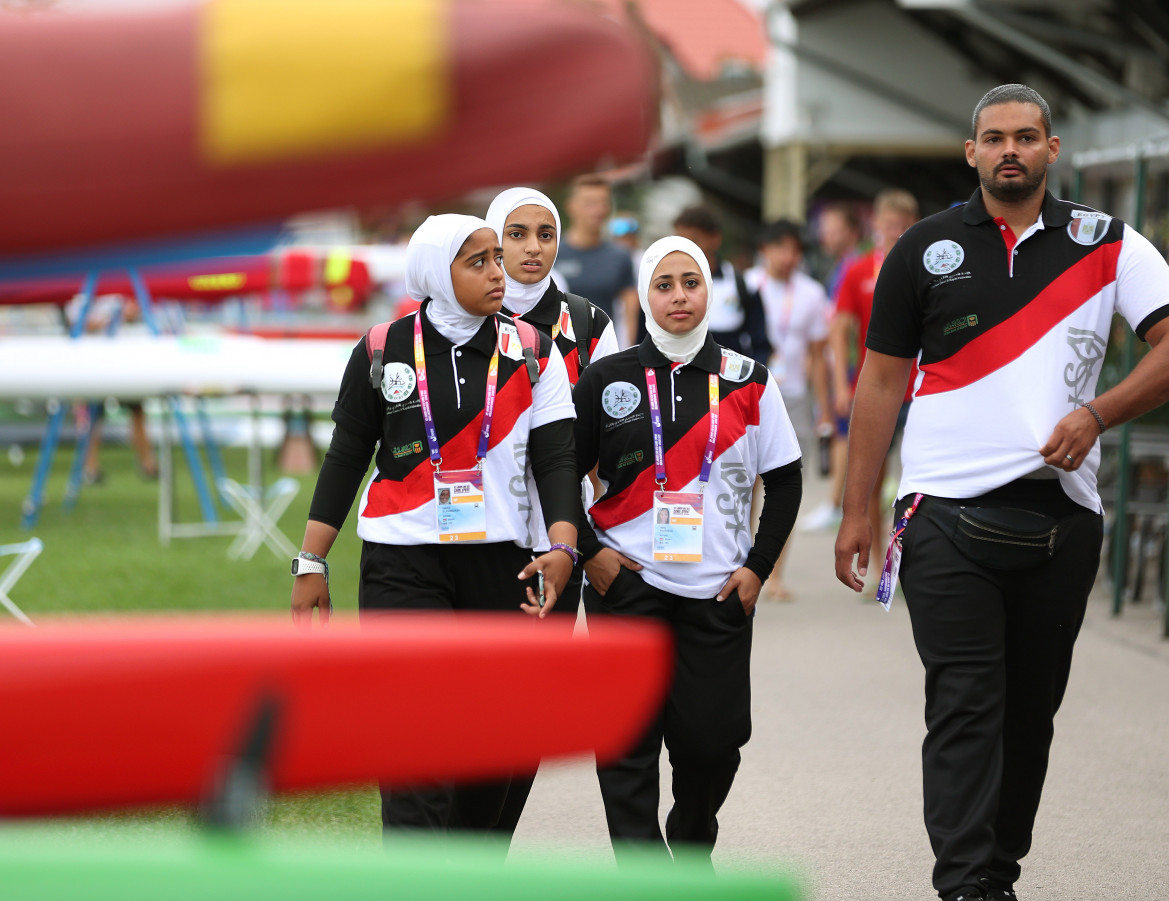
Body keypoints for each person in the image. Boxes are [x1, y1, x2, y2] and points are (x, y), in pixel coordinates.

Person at [833, 84, 1169, 901]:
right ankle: (966, 885)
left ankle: (997, 871)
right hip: (942, 517)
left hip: (1062, 522)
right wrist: (858, 509)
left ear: (1051, 149)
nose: (1010, 149)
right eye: (994, 137)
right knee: (965, 705)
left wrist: (1098, 412)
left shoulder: (1109, 243)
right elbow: (880, 383)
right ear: (970, 152)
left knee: (1030, 716)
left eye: (1026, 137)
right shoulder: (922, 249)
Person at [289, 213, 581, 836]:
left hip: (501, 563)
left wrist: (562, 544)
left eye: (497, 259)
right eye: (478, 262)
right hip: (401, 563)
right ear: (433, 274)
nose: (498, 273)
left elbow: (558, 457)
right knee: (410, 740)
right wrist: (311, 562)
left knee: (488, 748)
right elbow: (346, 458)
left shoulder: (534, 352)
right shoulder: (381, 348)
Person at [573, 235, 803, 862]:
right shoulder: (605, 379)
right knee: (625, 742)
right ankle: (645, 873)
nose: (679, 296)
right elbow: (559, 473)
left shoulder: (749, 381)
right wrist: (592, 553)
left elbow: (784, 479)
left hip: (719, 591)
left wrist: (759, 567)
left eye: (691, 282)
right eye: (664, 284)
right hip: (627, 584)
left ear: (709, 290)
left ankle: (694, 832)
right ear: (644, 295)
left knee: (713, 742)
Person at [482, 185, 620, 835]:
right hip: (476, 540)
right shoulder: (459, 315)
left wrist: (585, 544)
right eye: (516, 234)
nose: (531, 248)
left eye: (543, 233)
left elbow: (614, 448)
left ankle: (488, 852)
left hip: (560, 545)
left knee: (526, 714)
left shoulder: (589, 325)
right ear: (492, 239)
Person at [825, 188, 920, 583]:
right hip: (877, 387)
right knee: (875, 479)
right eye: (889, 225)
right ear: (876, 225)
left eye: (903, 226)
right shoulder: (859, 270)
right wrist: (841, 387)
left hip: (921, 388)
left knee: (917, 479)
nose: (895, 232)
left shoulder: (925, 265)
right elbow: (839, 329)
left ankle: (914, 564)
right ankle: (881, 564)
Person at [744, 218, 830, 599]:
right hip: (746, 392)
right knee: (744, 486)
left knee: (783, 485)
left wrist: (824, 408)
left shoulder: (812, 293)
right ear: (764, 249)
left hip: (793, 395)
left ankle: (774, 574)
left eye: (794, 249)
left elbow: (818, 356)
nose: (787, 256)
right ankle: (739, 564)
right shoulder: (746, 285)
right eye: (780, 247)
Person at [672, 204, 772, 365]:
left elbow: (760, 345)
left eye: (694, 240)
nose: (686, 249)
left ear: (716, 239)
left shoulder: (744, 286)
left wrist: (747, 384)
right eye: (679, 241)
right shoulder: (663, 288)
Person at [555, 174, 639, 347]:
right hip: (561, 353)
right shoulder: (553, 254)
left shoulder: (621, 256)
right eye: (590, 203)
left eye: (603, 202)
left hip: (605, 352)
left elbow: (630, 316)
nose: (598, 210)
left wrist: (624, 355)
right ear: (571, 207)